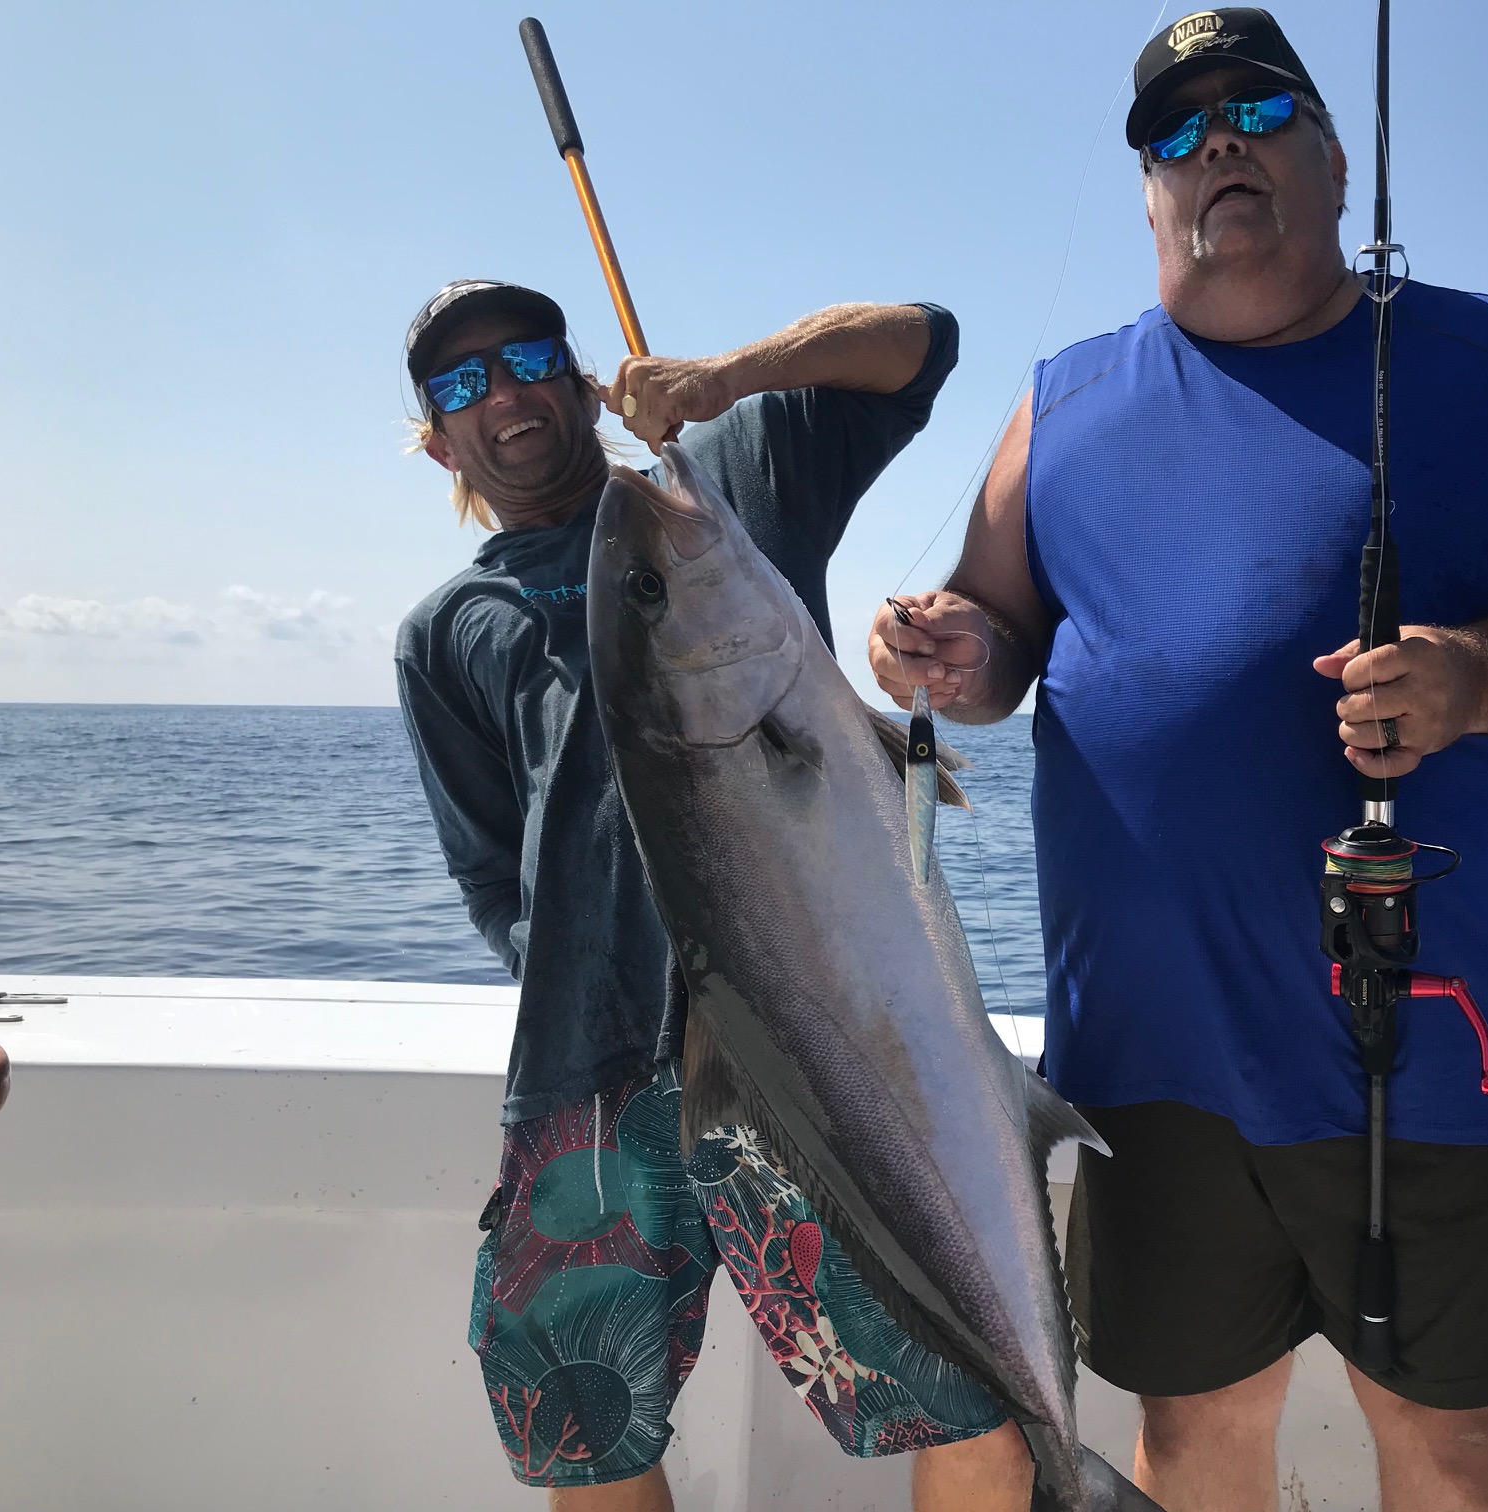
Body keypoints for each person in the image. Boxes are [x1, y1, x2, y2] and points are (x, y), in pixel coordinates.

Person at [868, 10, 1488, 1512]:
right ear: (1147, 192)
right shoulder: (1061, 401)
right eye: (1176, 130)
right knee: (1194, 1440)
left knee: (1456, 1443)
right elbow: (993, 637)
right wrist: (949, 655)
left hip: (1436, 1039)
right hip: (1150, 1056)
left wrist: (1480, 675)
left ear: (1332, 155)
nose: (1216, 142)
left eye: (1257, 111)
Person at [396, 280, 1031, 1510]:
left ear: (581, 376)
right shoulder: (448, 630)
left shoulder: (722, 489)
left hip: (816, 1049)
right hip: (588, 1079)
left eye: (529, 356)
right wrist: (586, 963)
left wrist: (724, 378)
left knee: (967, 1402)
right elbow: (489, 871)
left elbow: (920, 348)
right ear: (437, 440)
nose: (505, 391)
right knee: (591, 1435)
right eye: (460, 383)